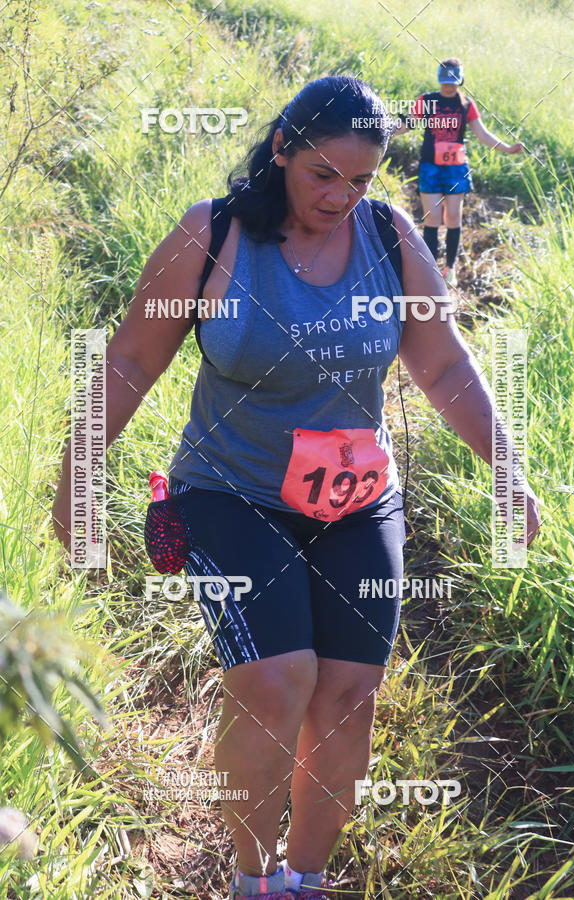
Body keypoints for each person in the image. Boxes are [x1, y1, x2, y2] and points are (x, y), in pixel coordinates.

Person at [52, 75, 541, 900]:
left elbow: (446, 363)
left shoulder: (387, 237)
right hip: (229, 490)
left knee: (349, 693)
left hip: (355, 498)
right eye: (323, 176)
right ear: (282, 149)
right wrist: (79, 472)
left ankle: (304, 881)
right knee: (278, 680)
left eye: (360, 180)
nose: (341, 197)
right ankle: (250, 877)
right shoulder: (212, 237)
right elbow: (131, 358)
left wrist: (509, 470)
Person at [393, 57, 524, 287]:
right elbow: (407, 124)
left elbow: (482, 134)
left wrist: (508, 149)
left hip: (456, 169)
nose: (448, 86)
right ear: (438, 79)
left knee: (452, 217)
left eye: (453, 82)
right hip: (430, 167)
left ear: (460, 81)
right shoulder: (426, 100)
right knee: (432, 218)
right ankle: (431, 269)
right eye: (445, 82)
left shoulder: (466, 105)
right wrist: (382, 133)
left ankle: (450, 267)